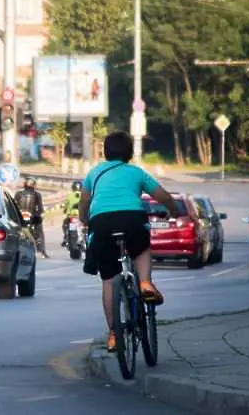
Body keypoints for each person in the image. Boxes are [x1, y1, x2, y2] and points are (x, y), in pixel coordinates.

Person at [78, 131, 181, 353]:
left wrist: (84, 219)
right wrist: (173, 211)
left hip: (102, 223)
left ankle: (114, 335)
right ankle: (145, 283)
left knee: (108, 281)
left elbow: (84, 201)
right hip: (132, 219)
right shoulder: (136, 172)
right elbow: (163, 196)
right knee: (142, 248)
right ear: (130, 152)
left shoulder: (94, 173)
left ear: (105, 151)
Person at [14, 177, 48, 258]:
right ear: (33, 185)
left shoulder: (18, 193)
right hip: (32, 217)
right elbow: (40, 208)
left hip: (21, 217)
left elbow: (15, 206)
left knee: (15, 231)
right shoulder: (37, 194)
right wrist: (39, 214)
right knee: (40, 232)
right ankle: (42, 251)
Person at [61, 181, 83, 247]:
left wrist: (65, 209)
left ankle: (65, 237)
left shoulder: (70, 196)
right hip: (81, 216)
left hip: (71, 216)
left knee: (64, 224)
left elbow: (65, 205)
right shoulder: (84, 194)